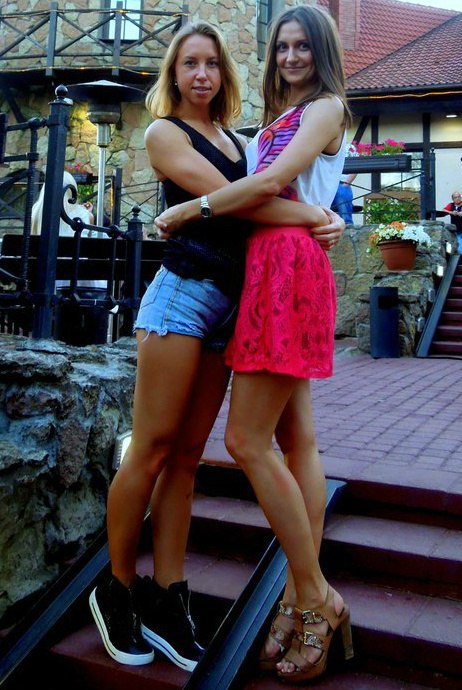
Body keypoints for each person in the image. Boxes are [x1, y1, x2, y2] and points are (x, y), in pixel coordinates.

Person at [88, 19, 345, 673]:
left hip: (234, 303)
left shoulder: (239, 139)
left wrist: (321, 214)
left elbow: (262, 192)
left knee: (186, 460)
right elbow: (242, 202)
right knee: (151, 450)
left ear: (224, 74)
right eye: (189, 63)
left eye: (211, 63)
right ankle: (117, 588)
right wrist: (318, 216)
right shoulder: (164, 133)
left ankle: (169, 595)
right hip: (182, 298)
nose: (201, 74)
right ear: (173, 75)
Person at [154, 5, 354, 684]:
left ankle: (316, 597)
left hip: (287, 267)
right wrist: (320, 214)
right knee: (297, 440)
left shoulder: (325, 109)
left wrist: (191, 208)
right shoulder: (276, 119)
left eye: (303, 47)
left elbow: (267, 185)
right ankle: (300, 598)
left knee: (246, 440)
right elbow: (282, 189)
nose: (291, 56)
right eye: (282, 47)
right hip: (267, 266)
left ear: (321, 52)